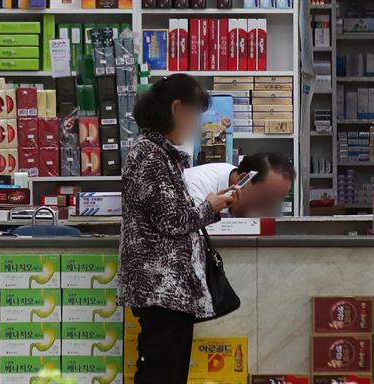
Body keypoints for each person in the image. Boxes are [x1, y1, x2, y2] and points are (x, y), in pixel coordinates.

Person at [118, 74, 235, 384]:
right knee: (160, 372)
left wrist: (210, 207)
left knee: (167, 370)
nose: (196, 124)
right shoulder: (150, 157)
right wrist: (211, 206)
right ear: (177, 108)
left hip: (170, 291)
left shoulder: (162, 155)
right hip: (160, 289)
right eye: (195, 114)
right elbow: (173, 220)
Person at [184, 152, 295, 217]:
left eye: (273, 205)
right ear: (243, 180)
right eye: (263, 202)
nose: (264, 213)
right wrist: (234, 217)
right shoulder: (192, 187)